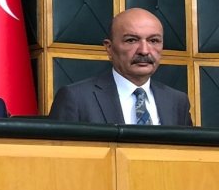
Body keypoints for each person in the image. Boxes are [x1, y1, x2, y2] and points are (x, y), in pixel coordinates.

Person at [48, 8, 191, 125]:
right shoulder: (76, 98)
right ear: (109, 48)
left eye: (154, 41)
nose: (144, 50)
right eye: (131, 40)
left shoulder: (177, 101)